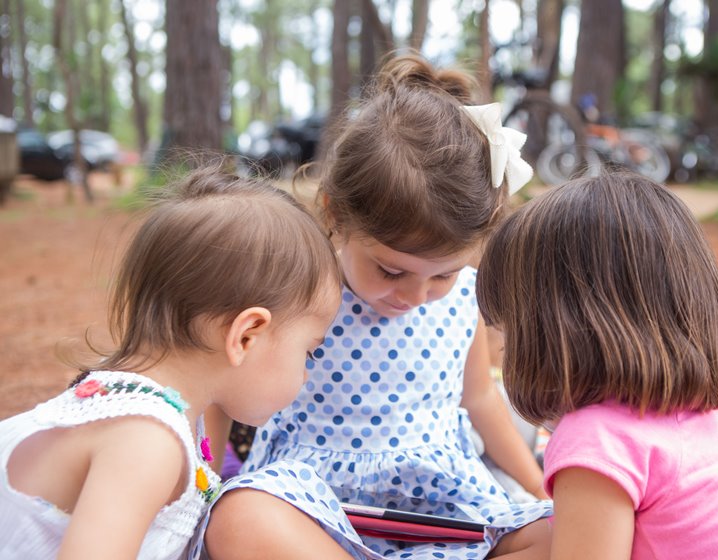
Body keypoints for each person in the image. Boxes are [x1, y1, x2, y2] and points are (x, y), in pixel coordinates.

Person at [195, 54, 553, 560]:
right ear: (335, 214)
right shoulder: (295, 292)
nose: (414, 296)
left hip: (444, 512)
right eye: (391, 270)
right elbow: (220, 391)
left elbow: (480, 400)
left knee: (564, 532)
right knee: (238, 519)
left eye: (442, 274)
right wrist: (206, 479)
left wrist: (539, 489)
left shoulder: (464, 299)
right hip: (315, 511)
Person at [475, 172, 718, 559]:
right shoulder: (698, 420)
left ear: (553, 331)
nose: (505, 354)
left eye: (510, 334)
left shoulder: (594, 439)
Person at [0, 167, 342, 559]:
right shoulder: (146, 442)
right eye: (309, 351)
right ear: (246, 335)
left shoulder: (138, 407)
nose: (306, 372)